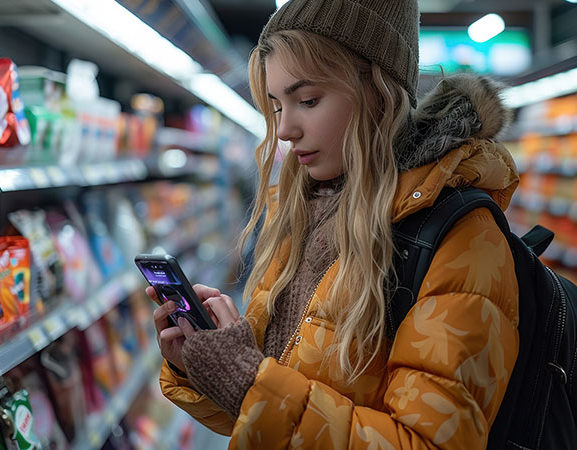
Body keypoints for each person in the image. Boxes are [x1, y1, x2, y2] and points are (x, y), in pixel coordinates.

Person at [148, 0, 520, 448]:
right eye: (276, 106)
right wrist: (208, 366)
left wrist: (248, 380)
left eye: (307, 100)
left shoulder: (461, 238)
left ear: (378, 90)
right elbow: (261, 422)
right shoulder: (303, 210)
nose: (284, 130)